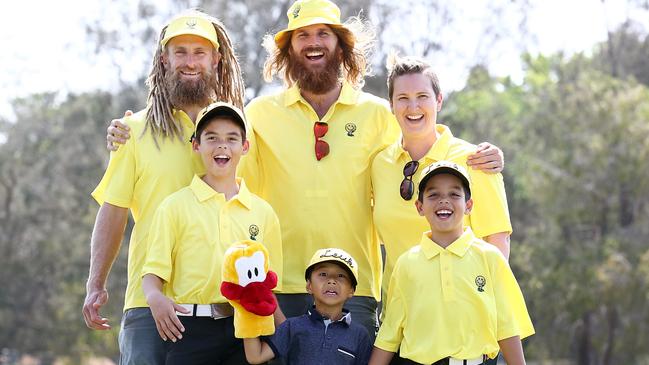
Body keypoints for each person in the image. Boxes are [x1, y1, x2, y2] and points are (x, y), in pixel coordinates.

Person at [105, 0, 503, 339]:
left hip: (355, 286)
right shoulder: (259, 115)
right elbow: (213, 154)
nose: (313, 43)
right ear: (289, 50)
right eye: (302, 36)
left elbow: (421, 150)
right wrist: (134, 129)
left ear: (341, 45)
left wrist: (480, 155)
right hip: (276, 287)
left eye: (324, 34)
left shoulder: (379, 115)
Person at [82, 10, 245, 364]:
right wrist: (96, 283)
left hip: (225, 308)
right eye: (180, 51)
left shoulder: (239, 135)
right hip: (148, 305)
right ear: (164, 58)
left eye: (200, 52)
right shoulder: (134, 132)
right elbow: (114, 210)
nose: (190, 62)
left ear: (216, 59)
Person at [141, 102, 283, 364]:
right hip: (188, 330)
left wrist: (286, 332)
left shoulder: (263, 213)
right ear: (196, 145)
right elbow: (153, 273)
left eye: (231, 138)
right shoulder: (174, 206)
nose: (222, 146)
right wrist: (154, 298)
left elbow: (269, 287)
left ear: (245, 146)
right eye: (212, 138)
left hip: (246, 331)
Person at [371, 55, 511, 305]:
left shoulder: (475, 160)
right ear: (391, 105)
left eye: (422, 96)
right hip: (400, 315)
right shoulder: (379, 164)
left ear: (439, 100)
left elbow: (497, 240)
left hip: (463, 313)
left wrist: (493, 308)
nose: (413, 107)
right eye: (402, 98)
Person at [369, 161, 534, 365]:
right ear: (420, 207)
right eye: (433, 195)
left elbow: (507, 326)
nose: (444, 201)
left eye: (454, 194)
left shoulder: (490, 257)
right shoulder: (407, 263)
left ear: (469, 205)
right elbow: (390, 332)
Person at [243, 248, 372, 365]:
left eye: (341, 276)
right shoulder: (291, 326)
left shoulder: (360, 334)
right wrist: (244, 309)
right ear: (309, 286)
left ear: (351, 290)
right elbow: (255, 357)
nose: (332, 280)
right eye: (323, 274)